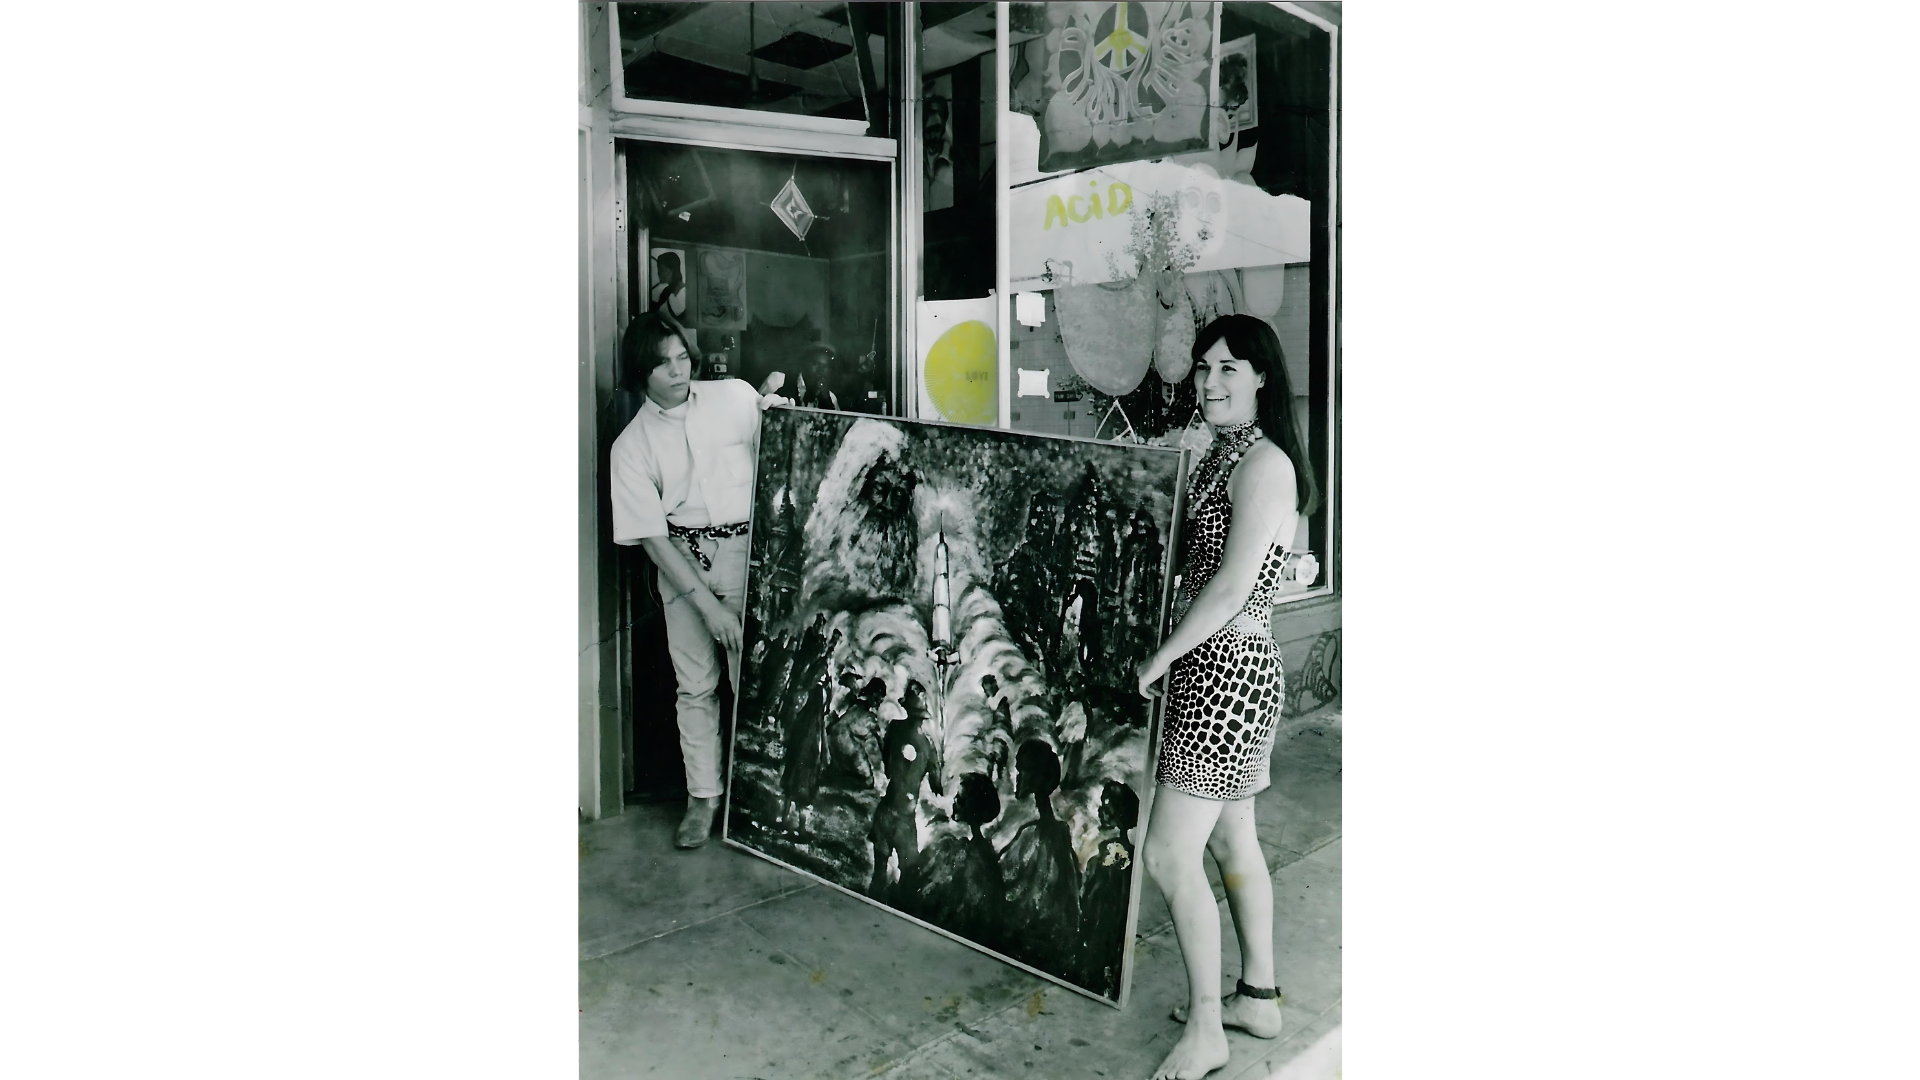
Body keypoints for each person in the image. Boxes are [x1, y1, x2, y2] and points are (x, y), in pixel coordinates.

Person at [1133, 314, 1320, 1080]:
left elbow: (1235, 586)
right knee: (1229, 840)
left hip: (1227, 675)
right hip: (1211, 672)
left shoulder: (1265, 463)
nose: (1210, 383)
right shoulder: (1220, 454)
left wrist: (1158, 659)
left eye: (1229, 370)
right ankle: (1259, 997)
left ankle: (1208, 1027)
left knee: (1170, 853)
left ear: (1262, 379)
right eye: (1204, 369)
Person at [609, 311, 788, 850]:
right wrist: (709, 609)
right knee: (696, 686)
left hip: (746, 554)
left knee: (753, 685)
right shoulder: (631, 447)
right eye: (663, 365)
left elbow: (780, 454)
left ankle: (763, 802)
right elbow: (654, 541)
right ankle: (702, 799)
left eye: (682, 357)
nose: (678, 371)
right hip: (681, 563)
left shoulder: (734, 397)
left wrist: (780, 413)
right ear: (641, 375)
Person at [791, 343, 841, 410]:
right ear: (805, 364)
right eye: (815, 364)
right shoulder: (781, 381)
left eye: (825, 367)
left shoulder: (831, 398)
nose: (820, 370)